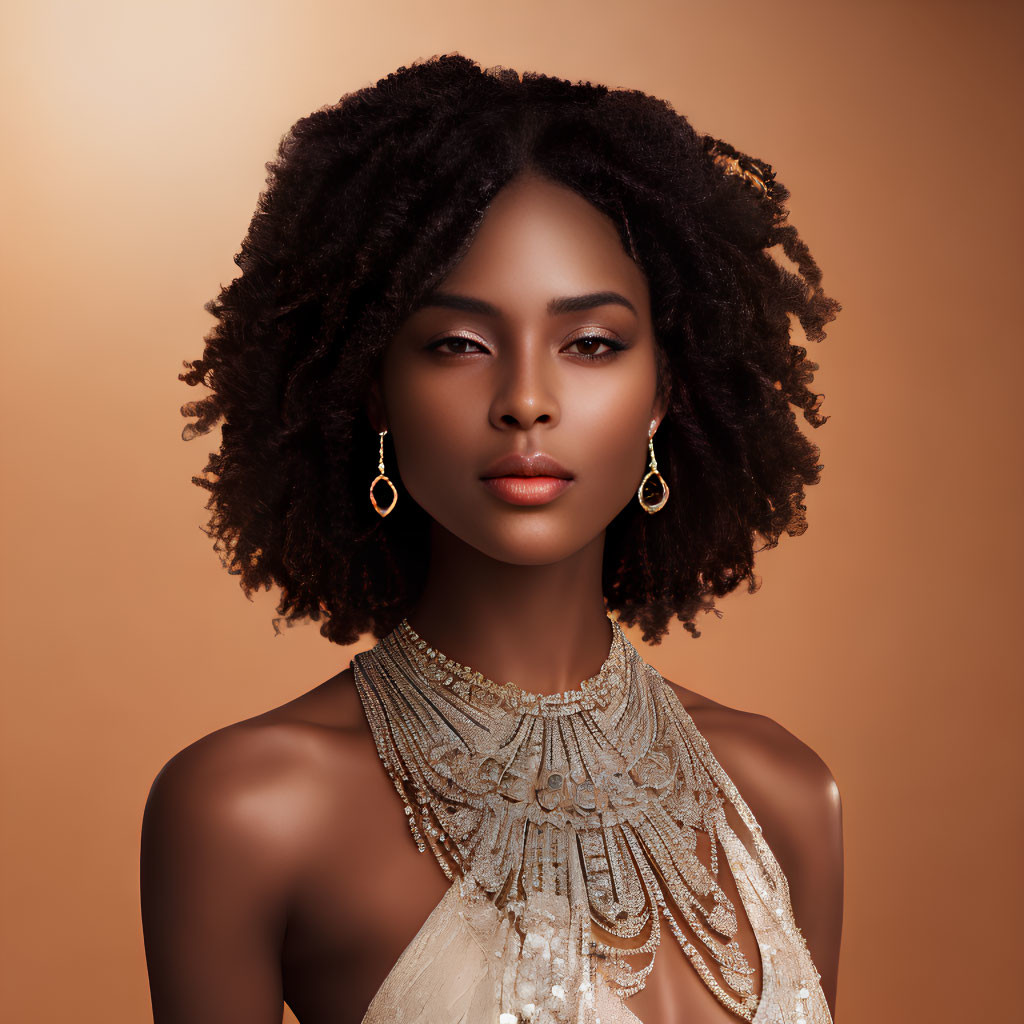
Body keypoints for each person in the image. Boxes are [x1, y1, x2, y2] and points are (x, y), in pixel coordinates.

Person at [141, 53, 844, 1024]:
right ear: (373, 386)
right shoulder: (247, 809)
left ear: (662, 396)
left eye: (591, 343)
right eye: (457, 344)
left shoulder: (787, 794)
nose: (524, 400)